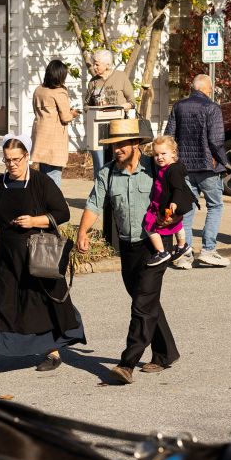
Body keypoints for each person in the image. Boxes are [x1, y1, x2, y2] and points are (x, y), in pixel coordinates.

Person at [0, 134, 87, 377]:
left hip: (36, 255)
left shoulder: (41, 182)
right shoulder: (1, 183)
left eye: (16, 159)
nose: (12, 165)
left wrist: (35, 221)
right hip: (7, 256)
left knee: (39, 304)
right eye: (7, 160)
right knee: (1, 301)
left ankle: (53, 352)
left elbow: (62, 213)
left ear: (27, 156)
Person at [75, 118, 180, 385]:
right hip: (127, 245)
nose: (117, 149)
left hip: (154, 245)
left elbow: (180, 193)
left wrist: (174, 219)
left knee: (142, 304)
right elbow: (94, 203)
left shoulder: (155, 168)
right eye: (113, 145)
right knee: (145, 299)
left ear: (136, 144)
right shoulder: (108, 173)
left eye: (122, 144)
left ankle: (127, 363)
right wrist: (83, 231)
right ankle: (166, 352)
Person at [164, 73, 229, 269]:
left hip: (184, 167)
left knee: (187, 209)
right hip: (207, 167)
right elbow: (216, 141)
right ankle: (209, 250)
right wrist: (225, 162)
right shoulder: (212, 108)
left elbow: (169, 136)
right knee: (215, 206)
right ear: (206, 89)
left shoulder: (178, 106)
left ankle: (185, 252)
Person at [142, 135, 195, 267]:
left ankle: (161, 252)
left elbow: (178, 188)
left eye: (163, 153)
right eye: (156, 154)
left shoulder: (173, 169)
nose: (159, 157)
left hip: (168, 205)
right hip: (165, 203)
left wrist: (174, 202)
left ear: (173, 153)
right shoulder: (165, 168)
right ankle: (182, 246)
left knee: (149, 225)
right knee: (177, 225)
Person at [31, 59, 80, 188]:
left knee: (44, 171)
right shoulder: (59, 92)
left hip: (41, 134)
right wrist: (74, 113)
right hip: (54, 137)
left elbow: (36, 110)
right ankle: (55, 203)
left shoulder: (38, 90)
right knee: (54, 173)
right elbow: (65, 117)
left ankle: (43, 201)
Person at [84, 49, 133, 176]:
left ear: (107, 64)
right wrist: (95, 108)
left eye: (97, 64)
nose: (94, 67)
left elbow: (132, 102)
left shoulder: (121, 77)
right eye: (94, 64)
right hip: (98, 131)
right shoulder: (93, 82)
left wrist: (122, 107)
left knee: (118, 162)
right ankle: (101, 192)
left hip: (117, 128)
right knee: (100, 168)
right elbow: (86, 106)